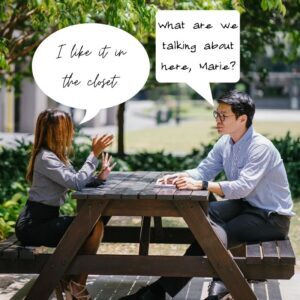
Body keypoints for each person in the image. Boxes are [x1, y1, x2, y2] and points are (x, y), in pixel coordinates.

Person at [119, 90, 294, 300]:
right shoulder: (225, 143)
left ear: (242, 119)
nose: (218, 120)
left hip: (270, 218)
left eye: (224, 115)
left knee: (209, 237)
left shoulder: (260, 148)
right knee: (203, 218)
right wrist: (179, 176)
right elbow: (204, 170)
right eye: (216, 114)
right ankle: (218, 282)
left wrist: (202, 184)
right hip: (245, 206)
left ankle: (164, 291)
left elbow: (242, 186)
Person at [15, 109, 115, 300]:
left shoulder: (56, 156)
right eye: (67, 128)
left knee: (96, 222)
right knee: (94, 225)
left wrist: (99, 178)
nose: (71, 133)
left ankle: (73, 281)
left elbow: (75, 180)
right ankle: (76, 285)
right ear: (55, 131)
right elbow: (75, 183)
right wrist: (93, 155)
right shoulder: (45, 158)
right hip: (33, 225)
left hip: (46, 219)